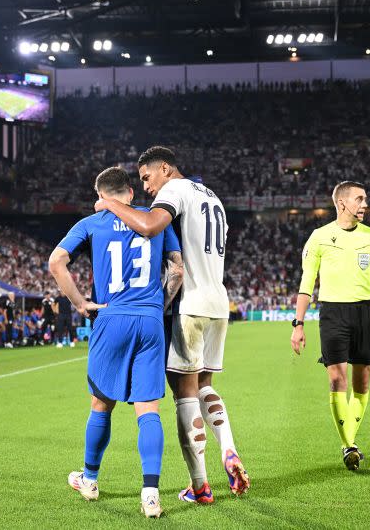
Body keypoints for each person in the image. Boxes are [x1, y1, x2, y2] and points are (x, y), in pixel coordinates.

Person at [93, 146, 250, 501]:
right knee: (205, 385)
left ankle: (200, 486)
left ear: (164, 168)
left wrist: (111, 204)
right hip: (217, 301)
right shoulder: (212, 196)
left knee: (184, 395)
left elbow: (149, 226)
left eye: (147, 177)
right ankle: (228, 446)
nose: (147, 187)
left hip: (188, 305)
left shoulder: (174, 191)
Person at [50, 166, 182, 518]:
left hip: (111, 317)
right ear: (130, 192)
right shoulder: (155, 219)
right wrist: (158, 307)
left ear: (100, 195)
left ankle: (89, 479)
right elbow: (178, 270)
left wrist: (80, 304)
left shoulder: (90, 225)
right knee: (149, 410)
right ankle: (151, 495)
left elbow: (56, 262)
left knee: (100, 404)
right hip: (150, 320)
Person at [290, 181, 370, 471]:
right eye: (360, 199)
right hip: (332, 313)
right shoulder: (319, 237)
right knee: (336, 379)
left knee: (362, 383)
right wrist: (298, 323)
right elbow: (307, 283)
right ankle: (350, 446)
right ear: (342, 203)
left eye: (366, 198)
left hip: (365, 313)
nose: (365, 204)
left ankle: (348, 443)